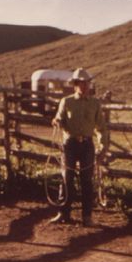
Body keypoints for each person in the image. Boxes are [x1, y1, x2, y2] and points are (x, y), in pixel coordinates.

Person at [49, 67, 108, 227]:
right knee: (67, 178)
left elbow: (101, 128)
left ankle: (87, 216)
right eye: (81, 83)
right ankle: (63, 213)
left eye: (86, 83)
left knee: (86, 180)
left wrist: (102, 147)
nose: (84, 86)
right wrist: (57, 122)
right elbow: (59, 118)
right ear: (75, 85)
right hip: (70, 144)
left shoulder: (95, 104)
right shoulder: (66, 102)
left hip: (87, 144)